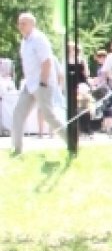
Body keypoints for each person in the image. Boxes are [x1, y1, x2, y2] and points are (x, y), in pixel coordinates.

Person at [10, 12, 65, 156]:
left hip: (42, 82)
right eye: (19, 23)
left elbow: (47, 61)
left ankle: (71, 141)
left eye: (24, 23)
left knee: (49, 116)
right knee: (18, 113)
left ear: (32, 24)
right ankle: (16, 149)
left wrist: (43, 82)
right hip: (30, 84)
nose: (20, 26)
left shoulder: (39, 39)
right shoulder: (24, 41)